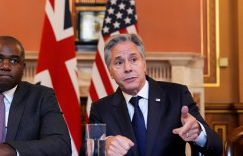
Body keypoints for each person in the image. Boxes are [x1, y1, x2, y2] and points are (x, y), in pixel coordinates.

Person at [80, 33, 223, 156]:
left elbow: (216, 147)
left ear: (144, 63)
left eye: (134, 59)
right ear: (110, 71)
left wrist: (198, 133)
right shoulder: (101, 108)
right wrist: (103, 146)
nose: (128, 68)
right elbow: (86, 150)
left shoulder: (177, 96)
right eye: (119, 62)